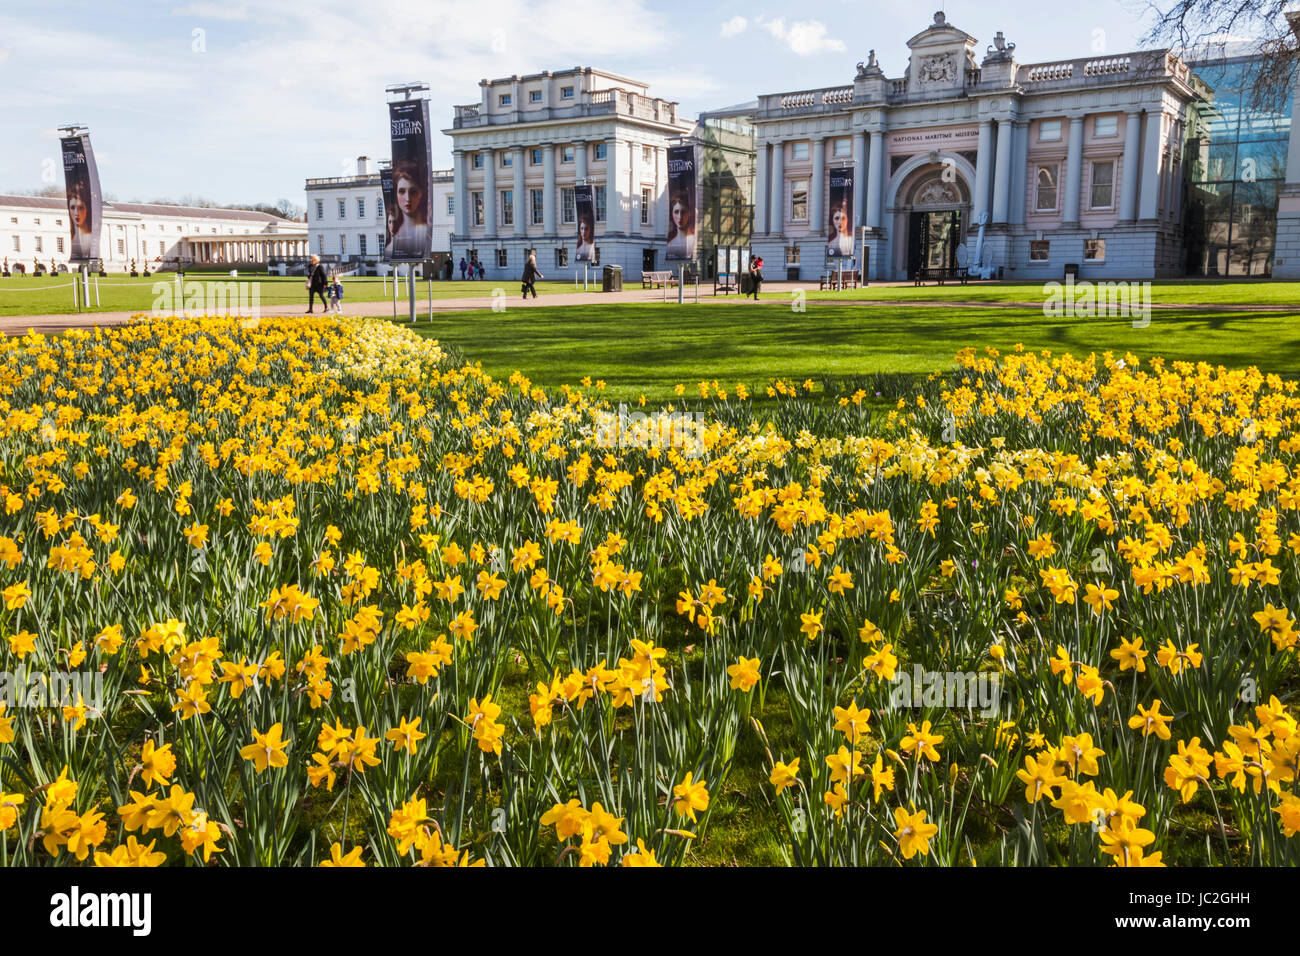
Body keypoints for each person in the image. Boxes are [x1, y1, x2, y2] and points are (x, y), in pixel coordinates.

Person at [388, 160, 431, 258]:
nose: (407, 199)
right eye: (402, 191)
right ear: (396, 194)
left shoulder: (426, 232)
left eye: (413, 192)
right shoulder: (395, 237)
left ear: (421, 194)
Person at [666, 196, 696, 261]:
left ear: (689, 214)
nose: (680, 217)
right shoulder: (670, 244)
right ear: (672, 214)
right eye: (676, 212)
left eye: (683, 212)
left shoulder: (694, 240)